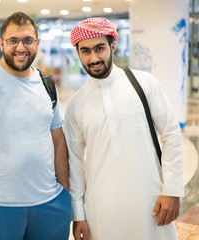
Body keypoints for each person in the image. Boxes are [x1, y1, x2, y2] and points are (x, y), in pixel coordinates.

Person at [64, 17, 184, 240]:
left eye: (99, 48)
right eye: (85, 51)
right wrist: (78, 214)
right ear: (78, 53)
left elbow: (170, 134)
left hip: (150, 201)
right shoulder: (76, 104)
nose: (93, 58)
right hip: (101, 209)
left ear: (112, 46)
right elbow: (74, 161)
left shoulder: (144, 83)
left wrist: (172, 190)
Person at [0, 12, 71, 239]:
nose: (21, 47)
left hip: (50, 205)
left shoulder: (47, 84)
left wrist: (65, 196)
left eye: (28, 40)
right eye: (13, 41)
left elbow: (58, 141)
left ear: (37, 43)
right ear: (1, 43)